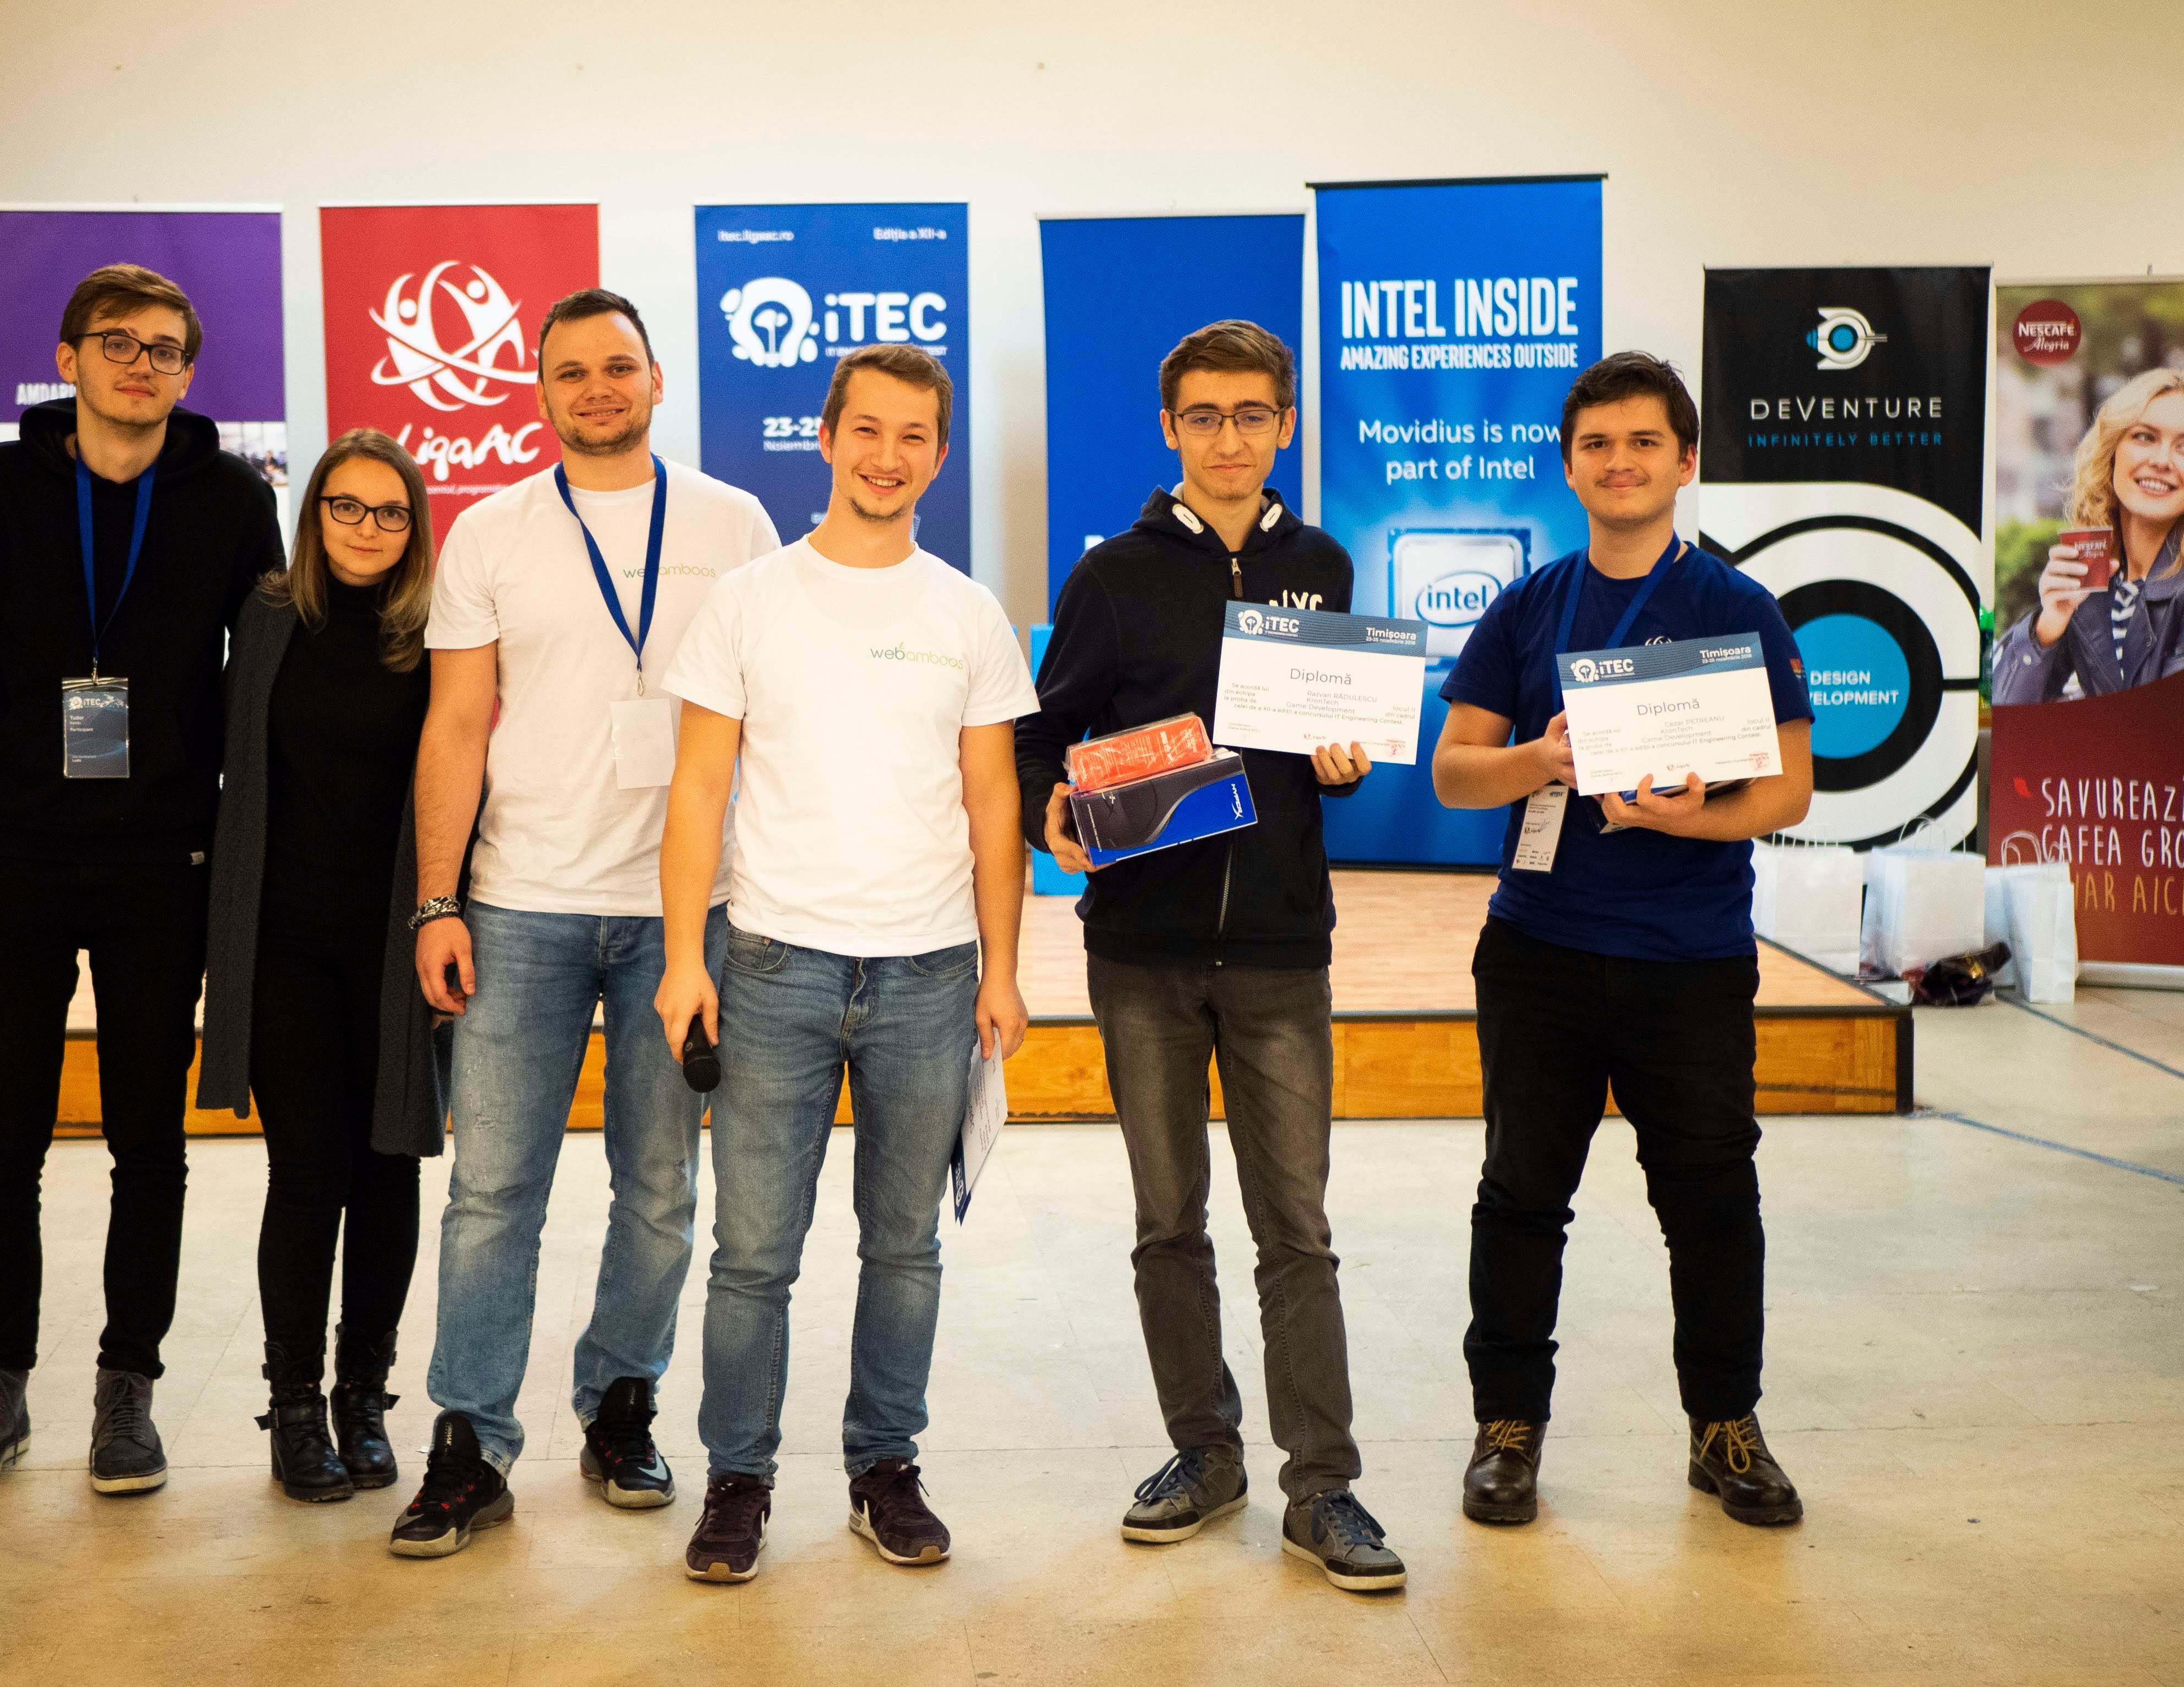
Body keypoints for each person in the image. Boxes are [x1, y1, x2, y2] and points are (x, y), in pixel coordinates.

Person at [388, 289, 781, 1557]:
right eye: (572, 371)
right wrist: (437, 898)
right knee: (494, 1190)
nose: (597, 386)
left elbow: (773, 717)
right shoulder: (494, 531)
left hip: (688, 915)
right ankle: (469, 1435)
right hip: (522, 905)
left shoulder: (735, 522)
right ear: (539, 392)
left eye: (620, 366)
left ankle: (622, 1397)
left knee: (659, 1187)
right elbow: (454, 724)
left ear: (658, 380)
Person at [1014, 320, 1403, 1593]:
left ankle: (1322, 1482)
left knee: (1296, 1226)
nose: (1228, 437)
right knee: (1166, 1223)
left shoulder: (1325, 563)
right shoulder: (1111, 577)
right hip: (1139, 954)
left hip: (1284, 949)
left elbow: (1329, 743)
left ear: (1284, 424)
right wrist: (1051, 811)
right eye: (1203, 415)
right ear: (1169, 429)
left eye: (1251, 413)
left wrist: (1341, 758)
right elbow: (1044, 737)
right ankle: (1204, 1449)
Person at [655, 343, 1037, 1585]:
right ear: (825, 438)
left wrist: (1002, 967)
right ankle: (739, 1477)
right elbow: (699, 784)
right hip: (773, 963)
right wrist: (681, 958)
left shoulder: (965, 609)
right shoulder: (752, 599)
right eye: (864, 429)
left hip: (929, 972)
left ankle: (884, 1464)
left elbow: (994, 800)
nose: (886, 455)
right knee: (753, 1250)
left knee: (905, 1245)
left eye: (912, 435)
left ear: (937, 451)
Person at [0, 264, 283, 1494]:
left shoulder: (231, 497)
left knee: (148, 1146)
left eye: (168, 349)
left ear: (190, 370)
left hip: (162, 866)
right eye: (117, 342)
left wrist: (244, 879)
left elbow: (257, 697)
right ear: (66, 357)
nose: (143, 364)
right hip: (9, 858)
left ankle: (129, 1389)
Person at [1431, 351, 1816, 1529]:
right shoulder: (1529, 605)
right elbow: (1454, 776)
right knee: (1520, 1196)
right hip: (1541, 948)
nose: (1620, 462)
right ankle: (1508, 1430)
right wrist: (1537, 761)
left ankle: (1724, 1424)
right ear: (1569, 466)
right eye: (1596, 445)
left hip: (1691, 955)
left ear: (1684, 462)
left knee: (1709, 1196)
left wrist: (1697, 815)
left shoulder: (1739, 610)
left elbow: (1790, 790)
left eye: (1644, 442)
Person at [195, 429, 443, 1503]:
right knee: (308, 1173)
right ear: (315, 514)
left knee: (388, 1165)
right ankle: (293, 1407)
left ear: (415, 528)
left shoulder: (434, 632)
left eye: (390, 513)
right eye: (347, 508)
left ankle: (365, 1399)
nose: (367, 530)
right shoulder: (262, 619)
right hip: (282, 939)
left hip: (394, 943)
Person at [1994, 367, 2184, 703]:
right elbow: (2003, 715)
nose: (2161, 461)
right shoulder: (2095, 579)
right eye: (2145, 437)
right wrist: (2049, 624)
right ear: (2112, 451)